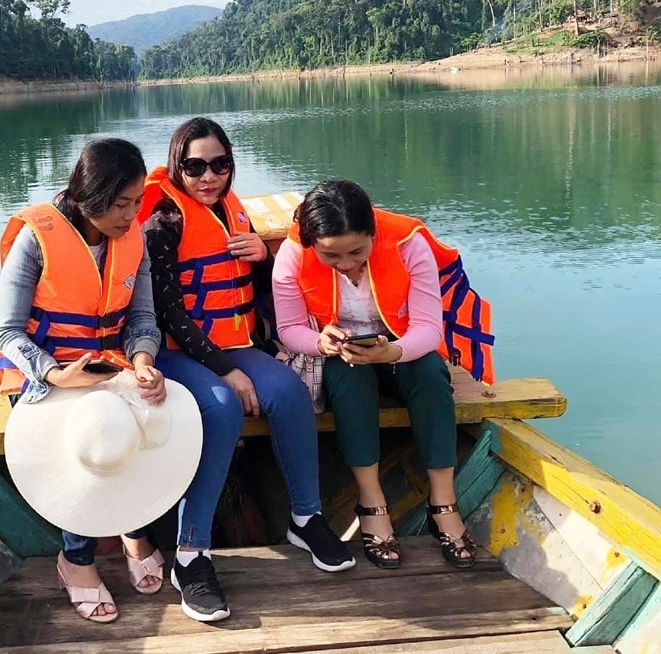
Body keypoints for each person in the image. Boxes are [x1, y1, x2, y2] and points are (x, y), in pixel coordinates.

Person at [140, 117, 355, 624]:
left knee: (288, 391)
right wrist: (225, 372)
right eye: (194, 167)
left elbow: (259, 285)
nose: (208, 177)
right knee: (220, 409)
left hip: (233, 342)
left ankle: (306, 518)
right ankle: (190, 554)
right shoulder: (163, 223)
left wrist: (262, 255)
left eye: (219, 165)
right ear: (177, 166)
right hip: (176, 351)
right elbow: (169, 312)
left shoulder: (233, 213)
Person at [0, 138, 170, 623]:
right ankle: (77, 559)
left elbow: (143, 318)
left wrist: (145, 360)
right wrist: (54, 373)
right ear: (89, 196)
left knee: (145, 420)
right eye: (120, 204)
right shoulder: (36, 237)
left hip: (111, 365)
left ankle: (134, 528)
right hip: (46, 374)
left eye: (136, 202)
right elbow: (5, 330)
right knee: (86, 435)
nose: (131, 215)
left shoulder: (133, 239)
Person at [272, 179, 495, 570]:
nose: (346, 264)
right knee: (350, 380)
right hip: (344, 355)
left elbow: (429, 328)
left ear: (374, 232)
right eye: (331, 256)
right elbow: (289, 330)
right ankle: (371, 500)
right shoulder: (292, 255)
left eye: (357, 251)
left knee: (429, 374)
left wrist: (393, 351)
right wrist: (321, 342)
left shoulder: (409, 243)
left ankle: (443, 501)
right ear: (312, 244)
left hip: (401, 347)